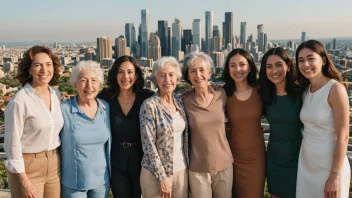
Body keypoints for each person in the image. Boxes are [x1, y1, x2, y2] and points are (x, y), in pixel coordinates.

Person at [4, 46, 63, 197]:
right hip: (27, 167)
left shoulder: (56, 94)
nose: (44, 69)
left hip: (54, 164)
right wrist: (23, 180)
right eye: (37, 65)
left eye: (48, 64)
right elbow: (12, 144)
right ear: (29, 70)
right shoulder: (20, 101)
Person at [295, 40, 350, 198]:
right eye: (301, 60)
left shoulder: (335, 89)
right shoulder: (306, 91)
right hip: (306, 164)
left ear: (323, 60)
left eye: (311, 58)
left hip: (329, 166)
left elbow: (343, 136)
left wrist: (334, 175)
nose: (306, 64)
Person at [98, 55, 153, 198]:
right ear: (115, 74)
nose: (125, 76)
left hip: (141, 159)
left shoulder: (146, 97)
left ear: (136, 75)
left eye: (130, 72)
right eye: (120, 72)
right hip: (116, 159)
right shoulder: (105, 97)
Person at [182, 51, 233, 198]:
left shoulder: (221, 94)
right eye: (193, 71)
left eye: (202, 70)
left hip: (224, 163)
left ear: (209, 73)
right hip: (198, 167)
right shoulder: (184, 101)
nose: (198, 75)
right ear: (188, 76)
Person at [139, 57, 189, 198]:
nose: (167, 79)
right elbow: (148, 144)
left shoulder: (180, 102)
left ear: (177, 79)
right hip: (155, 174)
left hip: (181, 170)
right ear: (155, 80)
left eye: (171, 75)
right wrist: (162, 177)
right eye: (162, 75)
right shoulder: (149, 105)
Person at [60, 61, 111, 197]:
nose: (89, 86)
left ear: (99, 85)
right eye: (83, 80)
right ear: (75, 84)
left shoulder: (105, 108)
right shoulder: (64, 110)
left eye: (94, 80)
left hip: (101, 180)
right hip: (74, 183)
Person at [258, 47, 303, 198]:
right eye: (269, 67)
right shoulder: (264, 94)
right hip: (274, 157)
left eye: (278, 65)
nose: (274, 71)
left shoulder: (302, 92)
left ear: (288, 66)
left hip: (300, 158)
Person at [222, 48, 265, 198]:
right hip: (231, 159)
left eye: (242, 64)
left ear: (250, 67)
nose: (238, 69)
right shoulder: (223, 94)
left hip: (256, 158)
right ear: (228, 69)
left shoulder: (261, 91)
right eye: (232, 65)